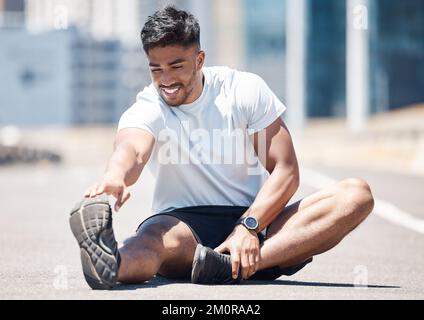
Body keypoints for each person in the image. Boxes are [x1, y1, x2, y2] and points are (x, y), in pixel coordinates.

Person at [69, 6, 374, 290]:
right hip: (184, 226)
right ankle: (112, 264)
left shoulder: (242, 90)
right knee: (151, 241)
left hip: (259, 221)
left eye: (176, 66)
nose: (166, 80)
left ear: (199, 60)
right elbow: (131, 148)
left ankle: (227, 266)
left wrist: (249, 227)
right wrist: (116, 174)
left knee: (355, 194)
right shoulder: (149, 106)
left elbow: (286, 169)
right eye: (156, 69)